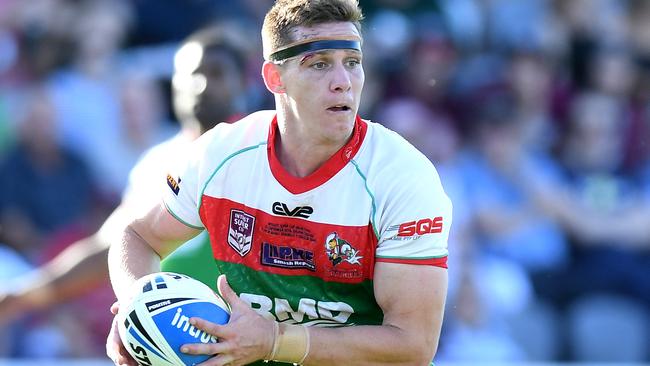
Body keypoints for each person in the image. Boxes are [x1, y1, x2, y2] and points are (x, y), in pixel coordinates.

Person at [106, 1, 452, 365]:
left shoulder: (402, 177)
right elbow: (137, 235)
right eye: (319, 65)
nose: (343, 82)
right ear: (274, 78)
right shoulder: (222, 153)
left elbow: (414, 345)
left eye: (352, 62)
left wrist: (275, 340)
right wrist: (136, 306)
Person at [0, 24, 250, 327]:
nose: (201, 85)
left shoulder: (258, 155)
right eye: (190, 74)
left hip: (251, 334)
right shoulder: (160, 161)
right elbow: (111, 244)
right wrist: (27, 294)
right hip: (180, 332)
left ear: (244, 83)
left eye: (217, 73)